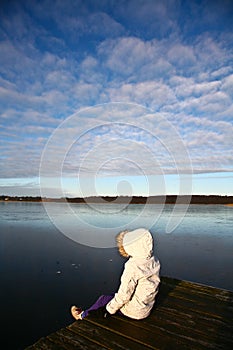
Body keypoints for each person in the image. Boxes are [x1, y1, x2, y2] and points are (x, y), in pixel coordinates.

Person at [71, 228, 160, 321]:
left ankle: (82, 315)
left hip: (134, 312)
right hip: (146, 307)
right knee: (112, 297)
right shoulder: (154, 260)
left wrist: (108, 310)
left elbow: (124, 294)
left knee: (103, 299)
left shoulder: (133, 267)